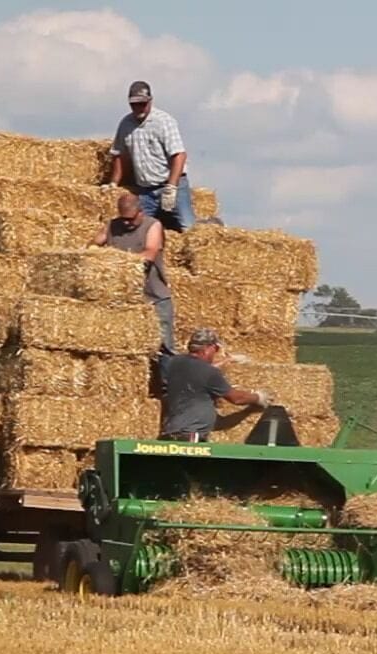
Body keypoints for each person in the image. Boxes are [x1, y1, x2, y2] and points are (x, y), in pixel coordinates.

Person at [91, 192, 173, 356]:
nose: (127, 223)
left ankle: (165, 380)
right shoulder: (112, 225)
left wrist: (118, 261)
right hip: (124, 299)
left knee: (163, 346)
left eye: (131, 219)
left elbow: (150, 252)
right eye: (123, 219)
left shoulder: (153, 225)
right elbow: (93, 245)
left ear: (141, 212)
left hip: (154, 297)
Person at [108, 80, 196, 231]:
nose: (138, 108)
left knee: (188, 227)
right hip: (146, 191)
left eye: (142, 103)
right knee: (135, 229)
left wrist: (171, 187)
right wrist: (113, 184)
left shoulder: (164, 122)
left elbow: (179, 155)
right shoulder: (125, 124)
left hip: (170, 184)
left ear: (150, 101)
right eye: (134, 104)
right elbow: (119, 155)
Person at [158, 328, 272, 441]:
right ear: (208, 348)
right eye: (216, 349)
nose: (215, 353)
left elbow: (198, 372)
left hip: (170, 433)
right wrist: (258, 397)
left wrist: (227, 361)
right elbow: (236, 398)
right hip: (190, 436)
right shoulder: (208, 372)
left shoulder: (174, 363)